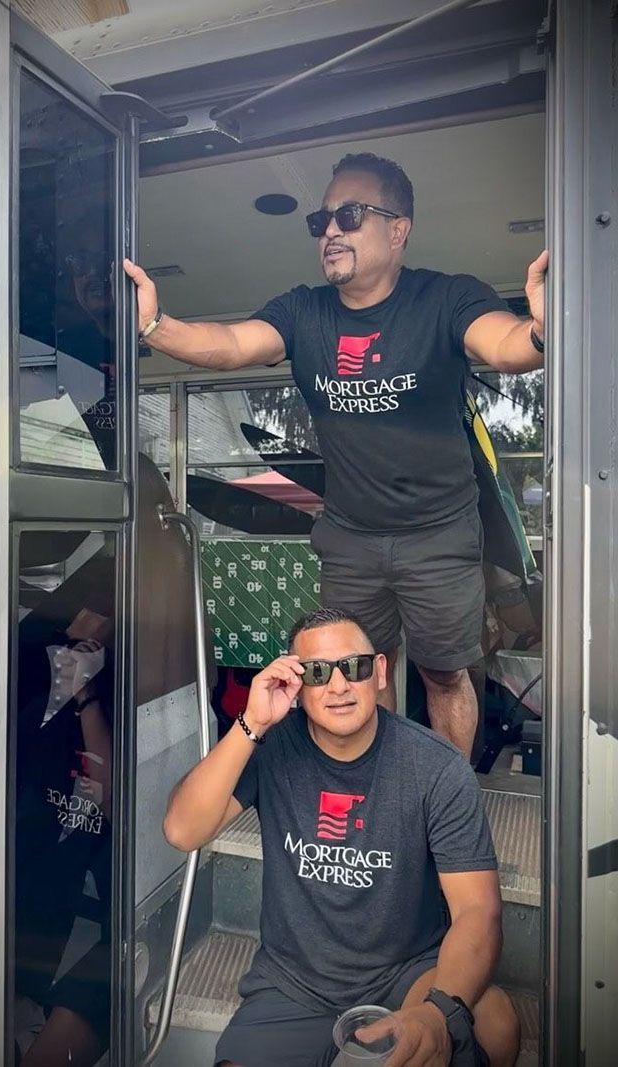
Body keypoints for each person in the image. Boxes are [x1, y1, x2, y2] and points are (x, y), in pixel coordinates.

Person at [124, 152, 548, 757]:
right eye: (320, 222)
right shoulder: (304, 311)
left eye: (349, 216)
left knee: (445, 675)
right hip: (350, 535)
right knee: (357, 672)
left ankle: (450, 800)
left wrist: (539, 330)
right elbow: (230, 343)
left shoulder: (445, 298)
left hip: (440, 532)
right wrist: (155, 325)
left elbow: (504, 345)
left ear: (397, 228)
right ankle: (381, 793)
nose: (330, 232)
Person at [163, 607, 520, 1067]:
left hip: (405, 972)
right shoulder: (272, 746)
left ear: (381, 672)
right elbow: (181, 829)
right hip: (294, 981)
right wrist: (250, 723)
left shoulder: (437, 767)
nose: (337, 686)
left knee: (496, 1021)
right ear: (295, 683)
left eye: (354, 667)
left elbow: (477, 910)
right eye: (316, 672)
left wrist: (435, 1014)